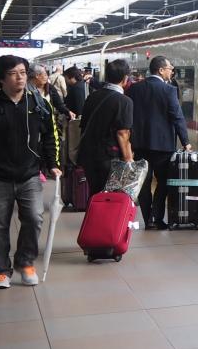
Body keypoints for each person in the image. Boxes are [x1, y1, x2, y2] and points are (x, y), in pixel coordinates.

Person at [0, 56, 61, 288]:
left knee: (34, 217)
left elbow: (50, 135)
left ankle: (25, 262)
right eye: (13, 73)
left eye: (23, 72)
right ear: (1, 79)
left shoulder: (39, 105)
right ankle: (2, 271)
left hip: (29, 175)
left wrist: (53, 163)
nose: (20, 77)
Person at [128, 56, 191, 230]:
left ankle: (147, 218)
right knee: (163, 183)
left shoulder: (134, 89)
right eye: (170, 68)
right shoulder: (169, 90)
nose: (172, 71)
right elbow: (177, 117)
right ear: (161, 70)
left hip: (140, 145)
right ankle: (157, 217)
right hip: (163, 146)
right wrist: (185, 141)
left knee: (144, 183)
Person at [79, 59, 135, 195]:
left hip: (89, 155)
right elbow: (123, 133)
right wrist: (129, 160)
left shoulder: (92, 97)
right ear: (125, 78)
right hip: (109, 159)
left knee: (95, 194)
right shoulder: (124, 101)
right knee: (110, 197)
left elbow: (83, 124)